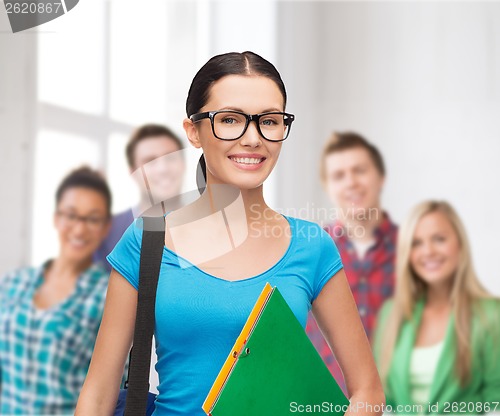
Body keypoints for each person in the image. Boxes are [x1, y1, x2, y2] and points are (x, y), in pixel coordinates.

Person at [75, 51, 385, 416]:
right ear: (193, 132)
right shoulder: (147, 240)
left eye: (269, 121)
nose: (253, 139)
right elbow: (98, 395)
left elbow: (368, 391)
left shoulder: (311, 246)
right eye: (230, 119)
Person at [0, 166, 113, 415]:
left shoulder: (108, 298)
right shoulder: (14, 283)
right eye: (71, 215)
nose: (79, 229)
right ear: (56, 218)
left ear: (105, 227)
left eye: (92, 219)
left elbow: (112, 393)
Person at [373, 201, 500, 415]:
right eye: (416, 243)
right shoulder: (391, 315)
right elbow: (385, 403)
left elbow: (495, 404)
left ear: (459, 244)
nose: (428, 251)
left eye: (439, 239)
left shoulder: (490, 314)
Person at [306, 132, 397, 389]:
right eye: (339, 175)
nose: (351, 182)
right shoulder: (308, 251)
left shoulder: (416, 251)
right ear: (328, 186)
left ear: (381, 178)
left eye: (360, 170)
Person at [94, 124, 185, 272]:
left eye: (171, 158)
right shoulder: (107, 233)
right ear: (133, 172)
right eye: (150, 161)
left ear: (183, 164)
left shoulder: (211, 226)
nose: (163, 169)